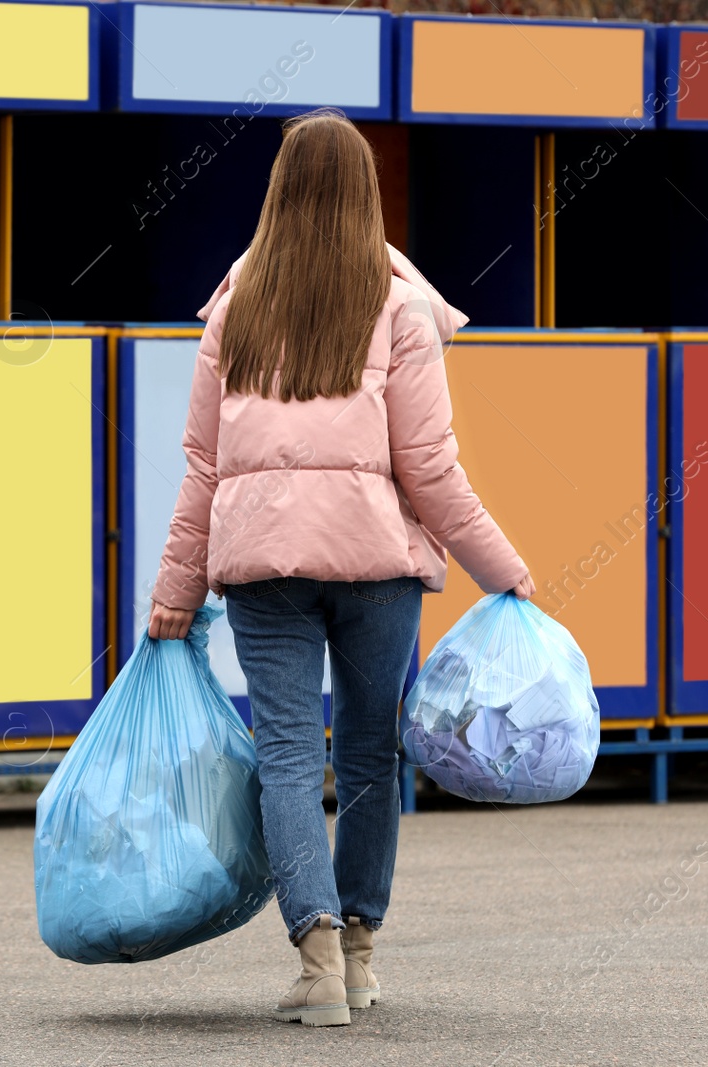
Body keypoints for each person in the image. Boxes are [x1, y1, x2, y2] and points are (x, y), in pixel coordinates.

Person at [148, 108, 534, 1027]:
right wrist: (504, 570)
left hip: (263, 567)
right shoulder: (402, 307)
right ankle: (360, 953)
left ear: (278, 191)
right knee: (368, 750)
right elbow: (429, 469)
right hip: (376, 567)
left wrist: (173, 596)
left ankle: (315, 960)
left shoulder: (235, 306)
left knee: (286, 752)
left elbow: (203, 465)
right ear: (369, 192)